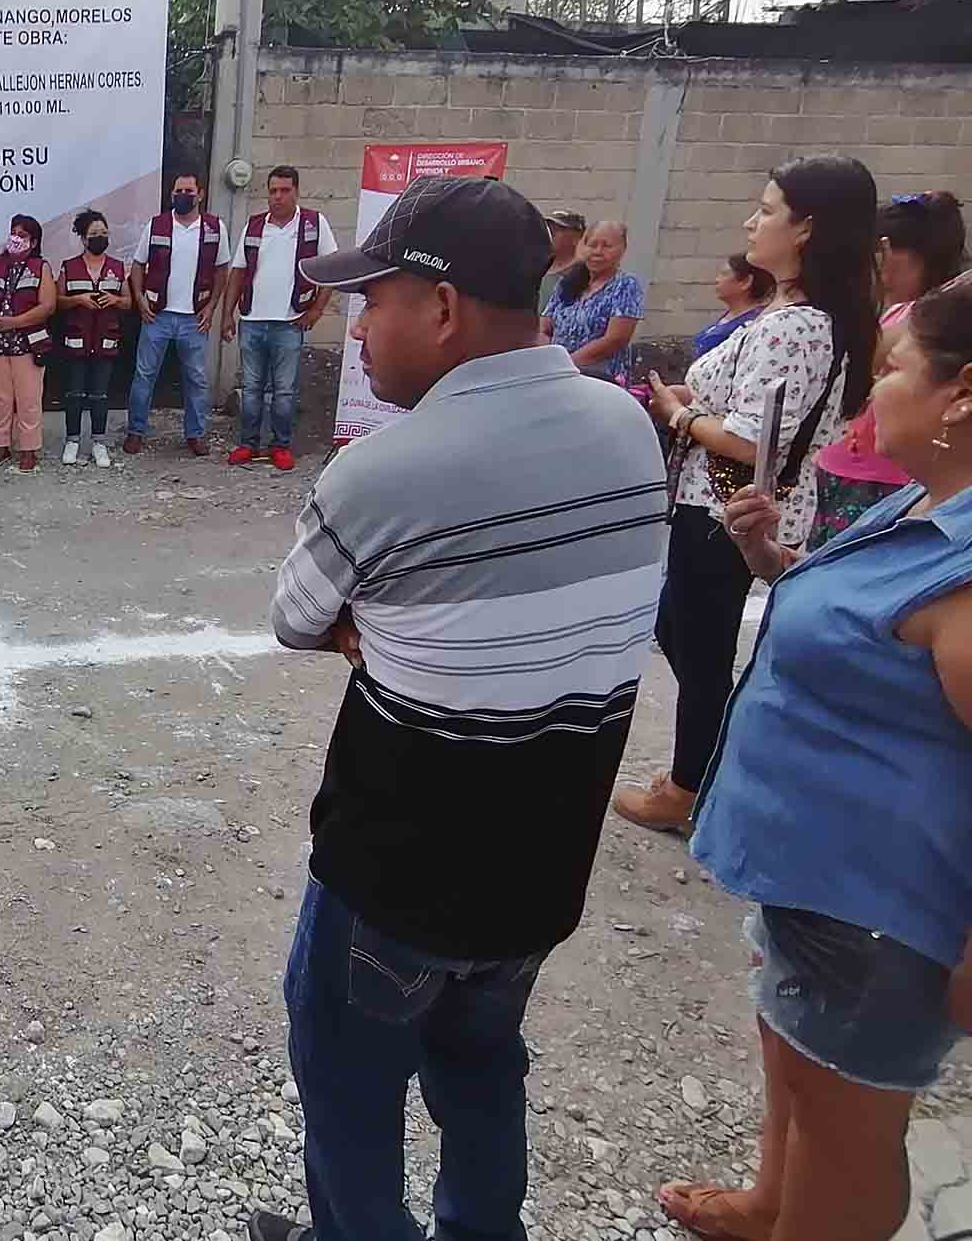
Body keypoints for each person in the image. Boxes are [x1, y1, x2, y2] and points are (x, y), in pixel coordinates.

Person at [254, 176, 667, 1241]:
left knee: (348, 1087)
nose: (358, 331)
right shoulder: (625, 426)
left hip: (395, 878)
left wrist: (383, 626)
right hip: (540, 871)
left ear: (438, 311)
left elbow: (295, 619)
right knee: (481, 1061)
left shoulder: (382, 469)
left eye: (373, 302)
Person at [656, 278, 972, 1241]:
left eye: (894, 372)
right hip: (821, 882)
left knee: (849, 1137)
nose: (874, 396)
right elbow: (870, 642)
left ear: (963, 395)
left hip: (877, 909)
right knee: (796, 1064)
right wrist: (771, 563)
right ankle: (769, 1204)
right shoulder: (930, 502)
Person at [615, 156, 881, 835]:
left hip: (732, 512)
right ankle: (711, 759)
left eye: (766, 210)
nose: (751, 222)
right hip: (720, 502)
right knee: (682, 631)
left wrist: (678, 414)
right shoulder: (796, 312)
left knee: (699, 648)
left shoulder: (799, 324)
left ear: (806, 229)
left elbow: (746, 439)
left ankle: (688, 786)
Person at [808, 190, 966, 548]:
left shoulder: (923, 324)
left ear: (886, 249)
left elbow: (860, 358)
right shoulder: (904, 313)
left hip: (878, 482)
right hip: (851, 467)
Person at [221, 165, 339, 471]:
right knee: (251, 389)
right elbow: (238, 272)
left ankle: (280, 446)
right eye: (273, 190)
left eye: (285, 190)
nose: (278, 196)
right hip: (253, 321)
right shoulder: (256, 226)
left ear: (296, 192)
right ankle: (248, 444)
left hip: (290, 323)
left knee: (284, 391)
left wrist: (316, 310)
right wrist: (227, 315)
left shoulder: (314, 224)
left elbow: (331, 270)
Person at [125, 170, 227, 457]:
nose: (182, 196)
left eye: (188, 192)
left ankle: (195, 434)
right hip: (157, 315)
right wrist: (139, 300)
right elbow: (136, 265)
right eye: (177, 192)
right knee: (144, 375)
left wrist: (212, 307)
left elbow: (223, 270)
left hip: (194, 318)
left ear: (201, 194)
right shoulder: (157, 225)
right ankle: (135, 431)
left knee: (196, 378)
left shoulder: (214, 228)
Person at [0, 214, 57, 472]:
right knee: (1, 399)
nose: (16, 239)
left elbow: (48, 306)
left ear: (34, 241)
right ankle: (2, 446)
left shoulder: (41, 267)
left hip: (27, 346)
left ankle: (28, 449)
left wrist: (16, 321)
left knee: (28, 399)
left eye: (23, 235)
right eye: (13, 233)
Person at [56, 209, 129, 468]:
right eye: (94, 234)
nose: (100, 237)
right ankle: (72, 441)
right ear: (83, 237)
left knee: (100, 395)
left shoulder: (118, 267)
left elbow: (129, 301)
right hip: (77, 339)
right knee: (74, 393)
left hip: (106, 340)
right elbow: (58, 301)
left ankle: (99, 443)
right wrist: (78, 299)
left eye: (103, 233)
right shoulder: (69, 267)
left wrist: (116, 300)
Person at [542, 220, 646, 381]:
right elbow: (544, 328)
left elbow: (615, 340)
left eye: (607, 246)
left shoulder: (626, 286)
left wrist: (567, 365)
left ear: (622, 250)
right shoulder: (568, 283)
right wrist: (550, 362)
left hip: (599, 379)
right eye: (592, 245)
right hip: (557, 373)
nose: (598, 251)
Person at [690, 251, 776, 361]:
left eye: (724, 274)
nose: (717, 280)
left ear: (745, 282)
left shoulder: (752, 325)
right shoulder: (730, 315)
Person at [538, 209, 586, 314]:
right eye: (549, 228)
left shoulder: (585, 273)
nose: (550, 233)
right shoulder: (536, 269)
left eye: (557, 229)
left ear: (576, 237)